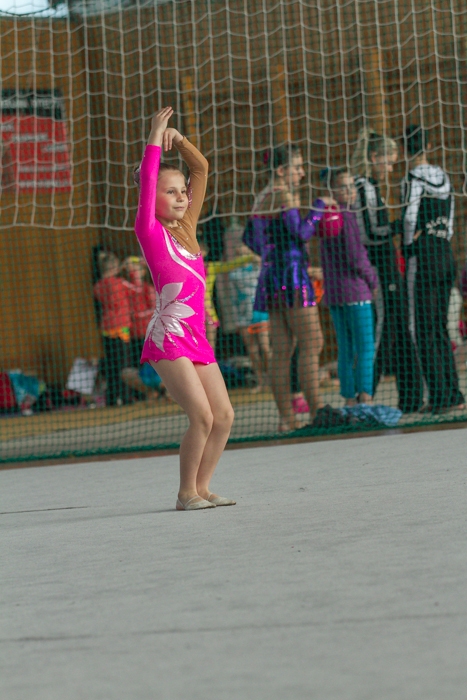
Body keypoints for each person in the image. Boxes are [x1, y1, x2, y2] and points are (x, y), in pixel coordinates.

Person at [134, 107, 235, 510]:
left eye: (182, 192)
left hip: (196, 336)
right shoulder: (149, 230)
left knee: (224, 416)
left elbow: (201, 169)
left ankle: (202, 487)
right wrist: (155, 136)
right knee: (202, 417)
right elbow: (148, 179)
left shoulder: (187, 227)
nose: (180, 197)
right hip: (169, 336)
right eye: (170, 192)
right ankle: (185, 493)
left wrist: (179, 138)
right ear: (152, 197)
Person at [243, 144, 324, 432]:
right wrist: (319, 208)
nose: (302, 173)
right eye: (297, 167)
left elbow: (249, 239)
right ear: (281, 170)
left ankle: (287, 419)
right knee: (312, 342)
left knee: (282, 350)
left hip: (270, 276)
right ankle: (317, 414)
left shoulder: (261, 197)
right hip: (292, 276)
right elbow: (302, 232)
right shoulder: (283, 195)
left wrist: (274, 254)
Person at [351, 128, 424, 413]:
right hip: (378, 266)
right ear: (374, 157)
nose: (391, 168)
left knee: (400, 327)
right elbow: (369, 233)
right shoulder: (363, 187)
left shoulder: (371, 186)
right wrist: (401, 224)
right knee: (383, 329)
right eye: (389, 162)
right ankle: (365, 395)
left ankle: (410, 397)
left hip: (388, 264)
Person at [401, 125, 465, 413]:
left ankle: (439, 397)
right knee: (440, 327)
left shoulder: (412, 177)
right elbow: (449, 217)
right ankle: (453, 394)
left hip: (424, 257)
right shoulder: (444, 176)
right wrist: (442, 237)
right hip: (445, 253)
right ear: (427, 145)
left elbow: (409, 217)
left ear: (405, 149)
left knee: (421, 329)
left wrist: (408, 244)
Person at [318, 168, 378, 405]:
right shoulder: (347, 215)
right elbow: (356, 256)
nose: (351, 191)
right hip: (356, 292)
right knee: (365, 347)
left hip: (335, 295)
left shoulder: (326, 216)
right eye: (344, 186)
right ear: (332, 190)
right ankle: (365, 397)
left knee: (345, 348)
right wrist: (372, 280)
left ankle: (348, 399)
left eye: (352, 186)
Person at [228, 244, 271, 391]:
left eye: (245, 253)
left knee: (265, 347)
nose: (243, 256)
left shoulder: (259, 269)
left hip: (261, 314)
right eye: (239, 254)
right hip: (243, 317)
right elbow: (233, 298)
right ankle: (261, 380)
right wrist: (236, 320)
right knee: (252, 351)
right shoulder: (234, 274)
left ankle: (273, 377)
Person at [199, 240, 256, 351]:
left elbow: (229, 265)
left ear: (205, 252)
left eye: (200, 249)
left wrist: (251, 257)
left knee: (209, 348)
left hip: (208, 313)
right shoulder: (184, 269)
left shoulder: (211, 267)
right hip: (190, 314)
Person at [93, 251, 131, 407]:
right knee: (124, 363)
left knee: (112, 363)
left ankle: (112, 397)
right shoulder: (119, 283)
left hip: (107, 327)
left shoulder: (98, 286)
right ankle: (125, 396)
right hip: (121, 327)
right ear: (114, 268)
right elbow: (134, 289)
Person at [123, 256, 157, 368]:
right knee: (136, 361)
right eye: (131, 271)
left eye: (136, 270)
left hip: (146, 331)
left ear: (143, 272)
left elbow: (154, 308)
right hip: (132, 332)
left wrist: (138, 315)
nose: (133, 273)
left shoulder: (148, 288)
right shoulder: (127, 287)